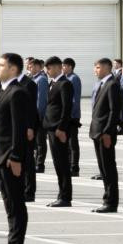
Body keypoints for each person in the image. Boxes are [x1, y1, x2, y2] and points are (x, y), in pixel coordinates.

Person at [0, 53, 34, 244]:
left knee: (15, 204)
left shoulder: (17, 93)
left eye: (1, 65)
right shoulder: (2, 91)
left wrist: (16, 157)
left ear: (14, 69)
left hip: (10, 158)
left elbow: (19, 128)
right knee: (9, 204)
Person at [88, 58, 123, 213]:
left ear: (107, 68)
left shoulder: (112, 85)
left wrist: (108, 132)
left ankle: (111, 202)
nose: (95, 70)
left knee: (108, 167)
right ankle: (107, 199)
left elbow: (113, 111)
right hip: (97, 132)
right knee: (103, 168)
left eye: (97, 67)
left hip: (105, 133)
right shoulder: (101, 84)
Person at [43, 56, 77, 208]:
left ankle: (65, 197)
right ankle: (61, 194)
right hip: (51, 128)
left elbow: (66, 108)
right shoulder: (54, 83)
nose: (47, 71)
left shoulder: (65, 84)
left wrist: (61, 128)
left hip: (58, 129)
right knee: (58, 163)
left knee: (62, 163)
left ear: (57, 68)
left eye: (49, 68)